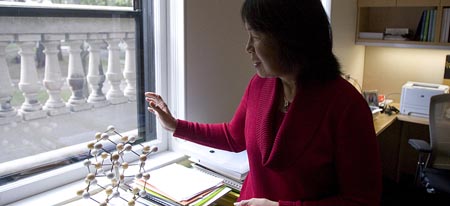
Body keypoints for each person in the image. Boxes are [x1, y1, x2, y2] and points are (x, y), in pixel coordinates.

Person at [145, 0, 382, 205]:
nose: (248, 47)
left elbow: (361, 200)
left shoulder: (347, 107)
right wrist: (175, 126)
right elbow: (233, 137)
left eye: (255, 36)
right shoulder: (259, 86)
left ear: (290, 38)